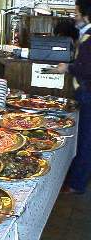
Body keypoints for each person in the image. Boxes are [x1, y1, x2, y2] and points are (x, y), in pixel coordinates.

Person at [54, 0, 91, 194]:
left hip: (88, 93)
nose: (74, 16)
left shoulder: (89, 37)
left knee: (86, 140)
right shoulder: (84, 35)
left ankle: (76, 184)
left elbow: (86, 69)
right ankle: (77, 178)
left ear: (86, 15)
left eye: (76, 12)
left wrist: (66, 67)